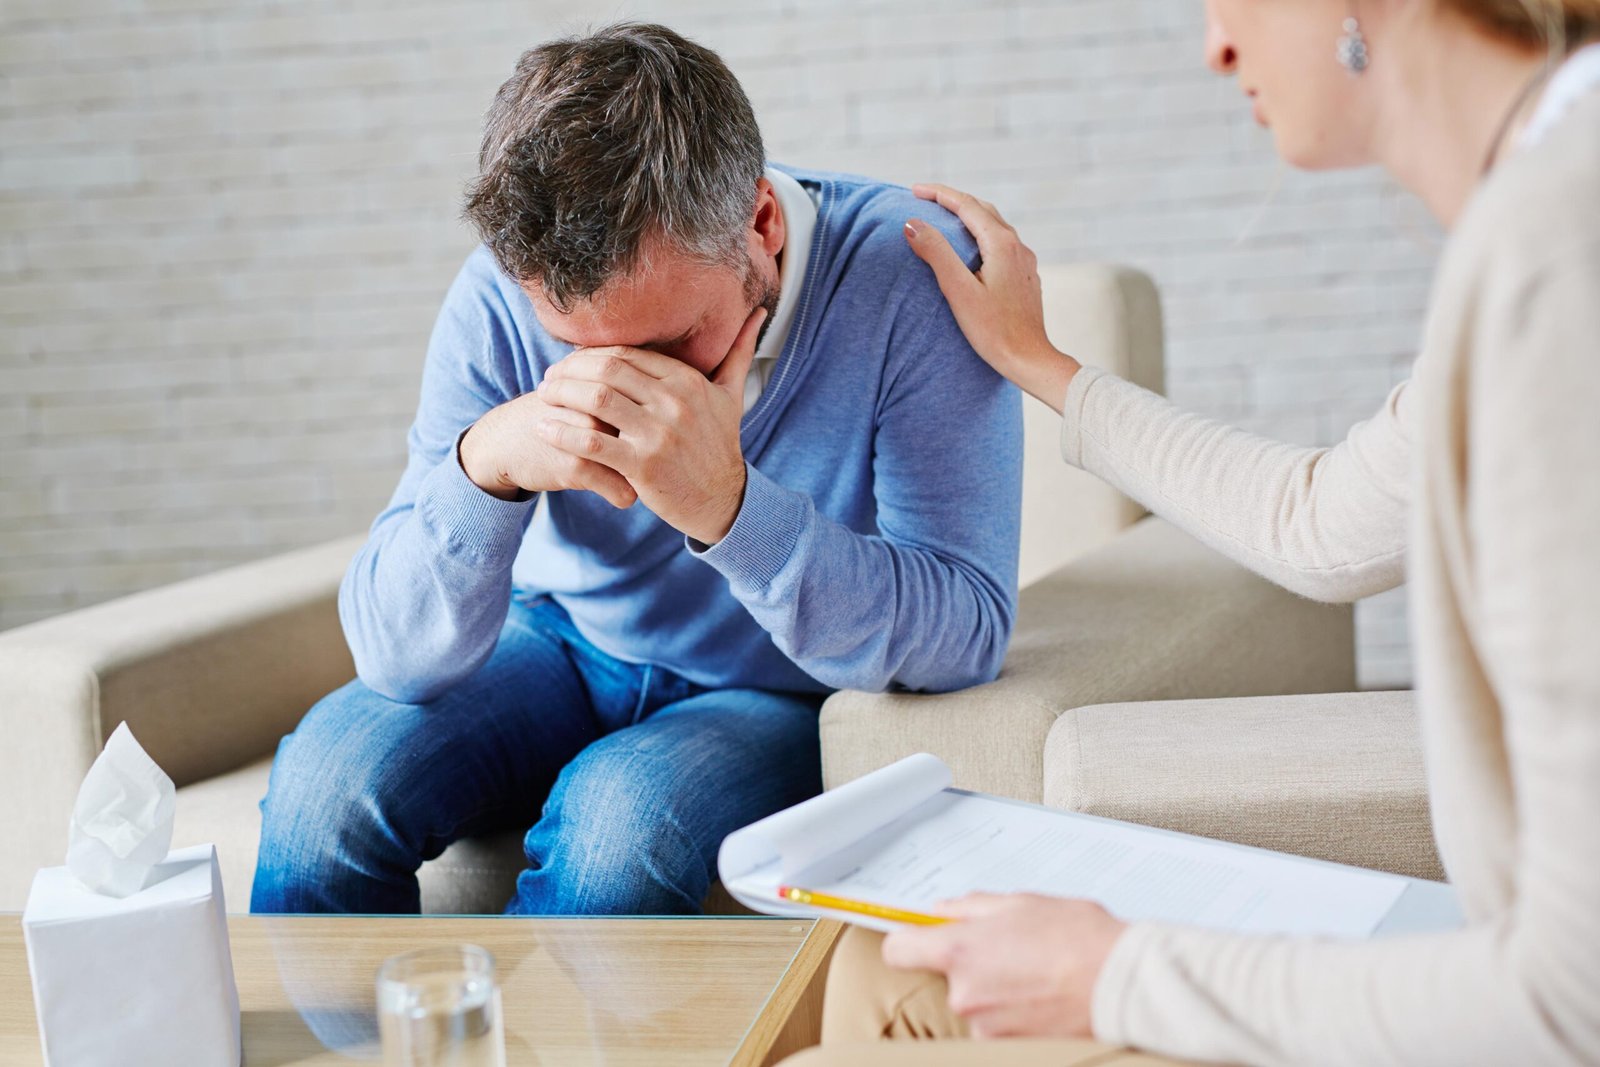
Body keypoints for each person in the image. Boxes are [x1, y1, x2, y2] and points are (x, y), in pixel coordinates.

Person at [820, 0, 1600, 1063]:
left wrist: (1113, 971)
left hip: (1536, 1009)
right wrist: (1041, 364)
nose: (1216, 45)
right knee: (885, 961)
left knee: (864, 1026)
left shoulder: (1559, 254)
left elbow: (1570, 997)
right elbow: (1320, 523)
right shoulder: (1547, 210)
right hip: (1517, 963)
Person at [250, 23, 1021, 918]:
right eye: (580, 353)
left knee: (618, 833)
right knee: (320, 795)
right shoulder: (503, 300)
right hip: (561, 640)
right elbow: (394, 655)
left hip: (768, 685)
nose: (624, 390)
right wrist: (484, 467)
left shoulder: (909, 276)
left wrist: (730, 509)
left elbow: (968, 629)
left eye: (664, 344)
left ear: (761, 224)